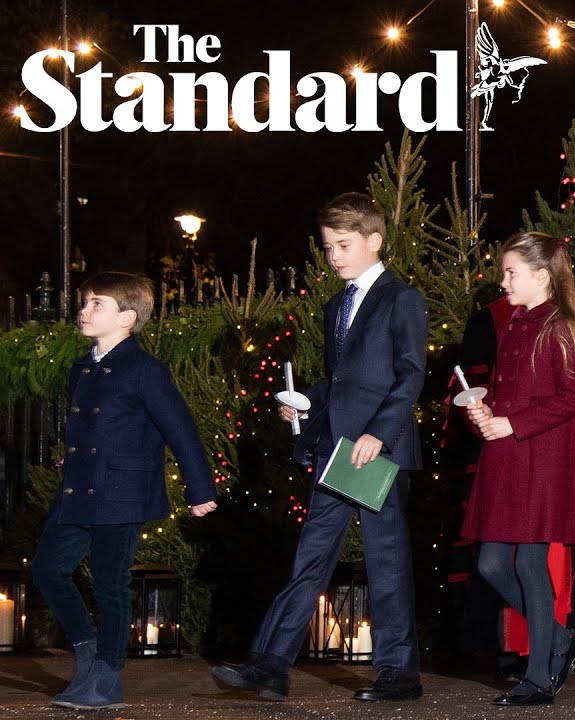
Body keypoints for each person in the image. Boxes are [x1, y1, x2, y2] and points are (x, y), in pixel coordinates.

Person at [212, 192, 427, 702]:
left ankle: (400, 671)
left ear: (375, 241)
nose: (334, 256)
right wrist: (305, 401)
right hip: (337, 448)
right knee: (309, 556)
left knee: (386, 558)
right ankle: (271, 663)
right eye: (329, 246)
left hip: (379, 451)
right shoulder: (337, 305)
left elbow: (411, 374)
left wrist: (380, 433)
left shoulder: (402, 300)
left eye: (344, 245)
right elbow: (338, 381)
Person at [32, 271, 218, 710]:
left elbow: (181, 430)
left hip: (121, 492)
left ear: (128, 318)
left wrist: (199, 489)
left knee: (110, 584)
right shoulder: (84, 366)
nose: (84, 309)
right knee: (47, 569)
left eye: (97, 303)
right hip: (78, 492)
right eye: (85, 301)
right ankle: (87, 656)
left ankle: (107, 676)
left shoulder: (145, 371)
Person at [461, 231, 575, 706]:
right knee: (491, 563)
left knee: (529, 563)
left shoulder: (560, 326)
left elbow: (572, 398)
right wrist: (486, 411)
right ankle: (559, 639)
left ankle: (539, 675)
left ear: (542, 277)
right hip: (508, 457)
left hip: (542, 461)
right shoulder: (514, 322)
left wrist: (513, 422)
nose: (502, 281)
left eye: (511, 273)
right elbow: (513, 389)